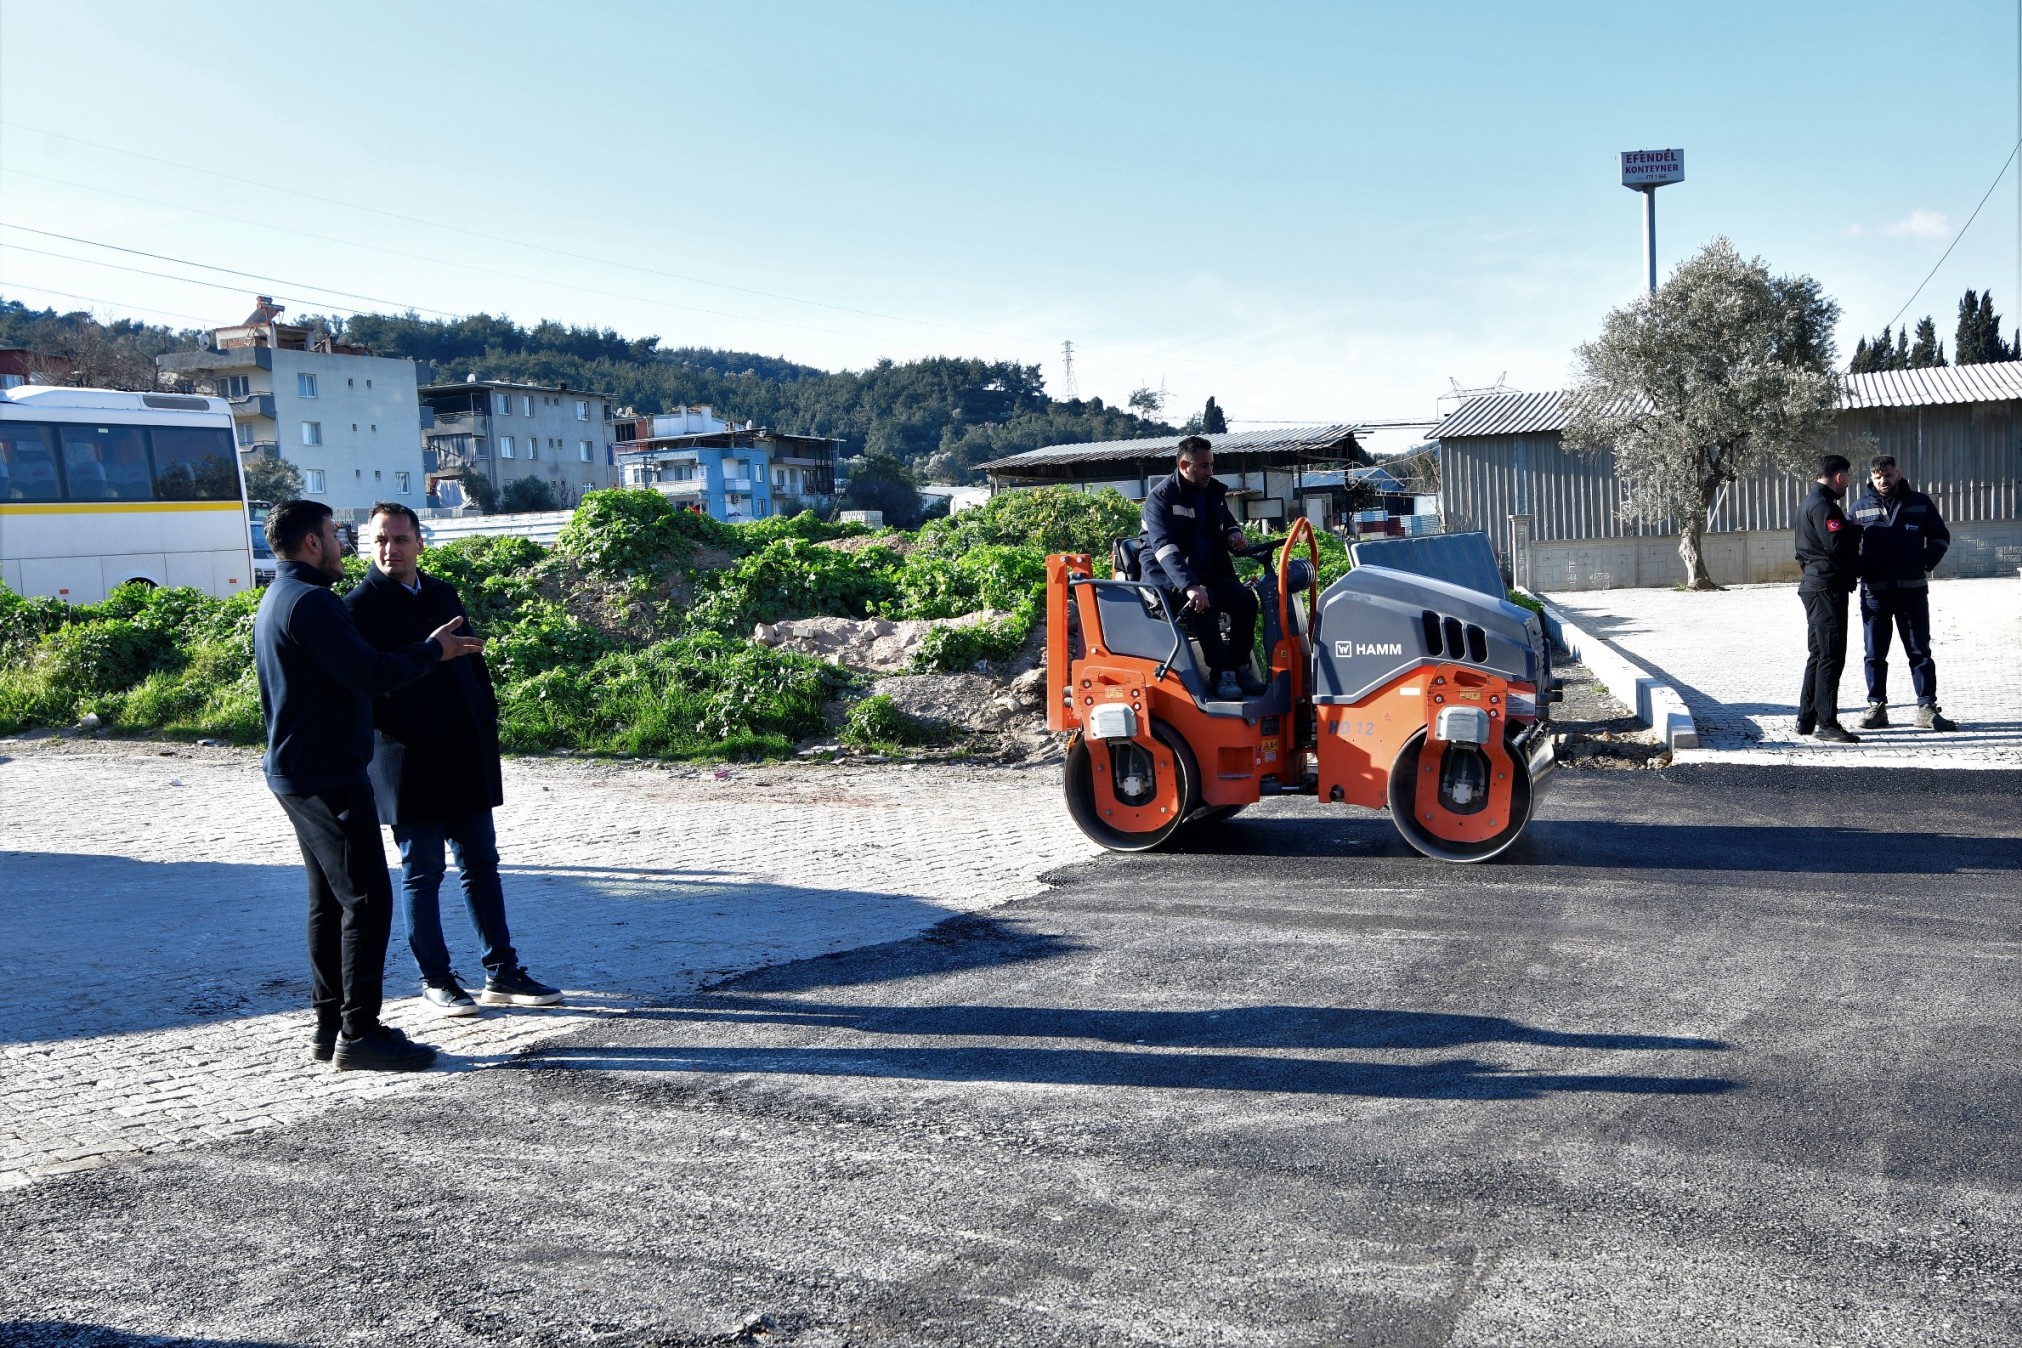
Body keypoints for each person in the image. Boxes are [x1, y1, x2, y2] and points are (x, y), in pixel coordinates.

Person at [255, 499, 485, 1071]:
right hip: (327, 775)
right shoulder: (313, 604)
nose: (343, 545)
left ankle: (330, 1026)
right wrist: (435, 650)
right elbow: (370, 674)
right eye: (335, 534)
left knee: (329, 903)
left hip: (299, 770)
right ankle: (360, 1034)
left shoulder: (280, 596)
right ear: (312, 542)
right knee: (366, 898)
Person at [344, 503, 563, 1016]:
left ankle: (502, 972)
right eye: (380, 540)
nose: (389, 550)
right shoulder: (357, 608)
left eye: (399, 539)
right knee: (422, 873)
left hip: (463, 755)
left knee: (482, 865)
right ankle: (436, 979)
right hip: (406, 762)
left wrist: (485, 719)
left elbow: (471, 663)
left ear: (420, 543)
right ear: (367, 546)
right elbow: (367, 685)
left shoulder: (441, 593)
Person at [1141, 436, 1265, 700]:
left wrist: (1234, 535)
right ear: (1185, 465)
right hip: (1168, 576)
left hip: (1205, 572)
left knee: (1246, 600)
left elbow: (1227, 522)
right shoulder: (1160, 499)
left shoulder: (1211, 492)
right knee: (1203, 603)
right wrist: (1189, 586)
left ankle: (1241, 667)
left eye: (1211, 465)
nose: (1211, 471)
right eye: (1204, 466)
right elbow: (1164, 548)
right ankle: (1221, 674)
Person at [1850, 454, 1957, 731]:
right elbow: (1847, 546)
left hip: (1912, 592)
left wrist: (1924, 562)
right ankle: (1877, 707)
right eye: (1877, 476)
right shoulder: (1859, 507)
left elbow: (1940, 536)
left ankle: (1926, 708)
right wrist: (1859, 567)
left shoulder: (1920, 503)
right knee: (1874, 654)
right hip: (1875, 594)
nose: (1883, 480)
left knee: (1920, 652)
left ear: (1898, 473)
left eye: (1888, 474)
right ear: (1871, 477)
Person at [1792, 454, 1864, 743]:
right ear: (1837, 477)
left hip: (1815, 584)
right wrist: (1855, 531)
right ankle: (1827, 723)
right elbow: (1837, 546)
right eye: (1847, 477)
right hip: (1827, 587)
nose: (1848, 482)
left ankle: (1806, 718)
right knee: (1831, 656)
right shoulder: (1825, 507)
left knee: (1818, 654)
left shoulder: (1809, 504)